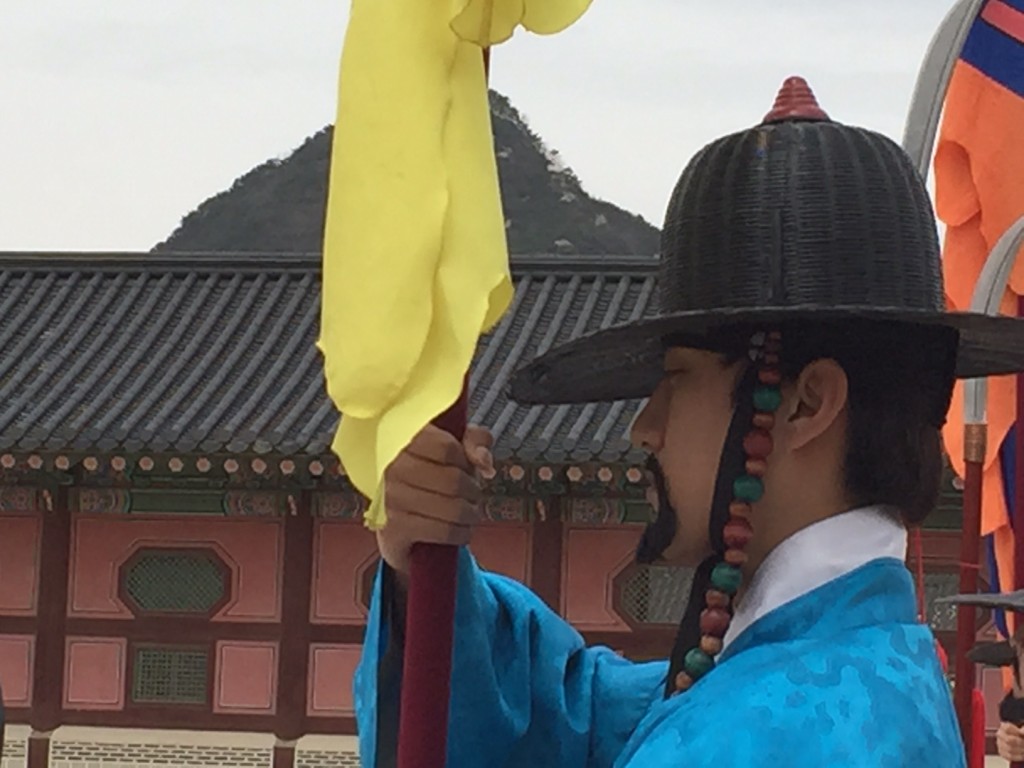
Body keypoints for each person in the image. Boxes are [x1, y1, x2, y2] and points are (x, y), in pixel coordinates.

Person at [353, 77, 1024, 767]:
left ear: (806, 404)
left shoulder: (781, 736)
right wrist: (423, 579)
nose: (645, 427)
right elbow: (588, 714)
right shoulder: (835, 673)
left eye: (677, 379)